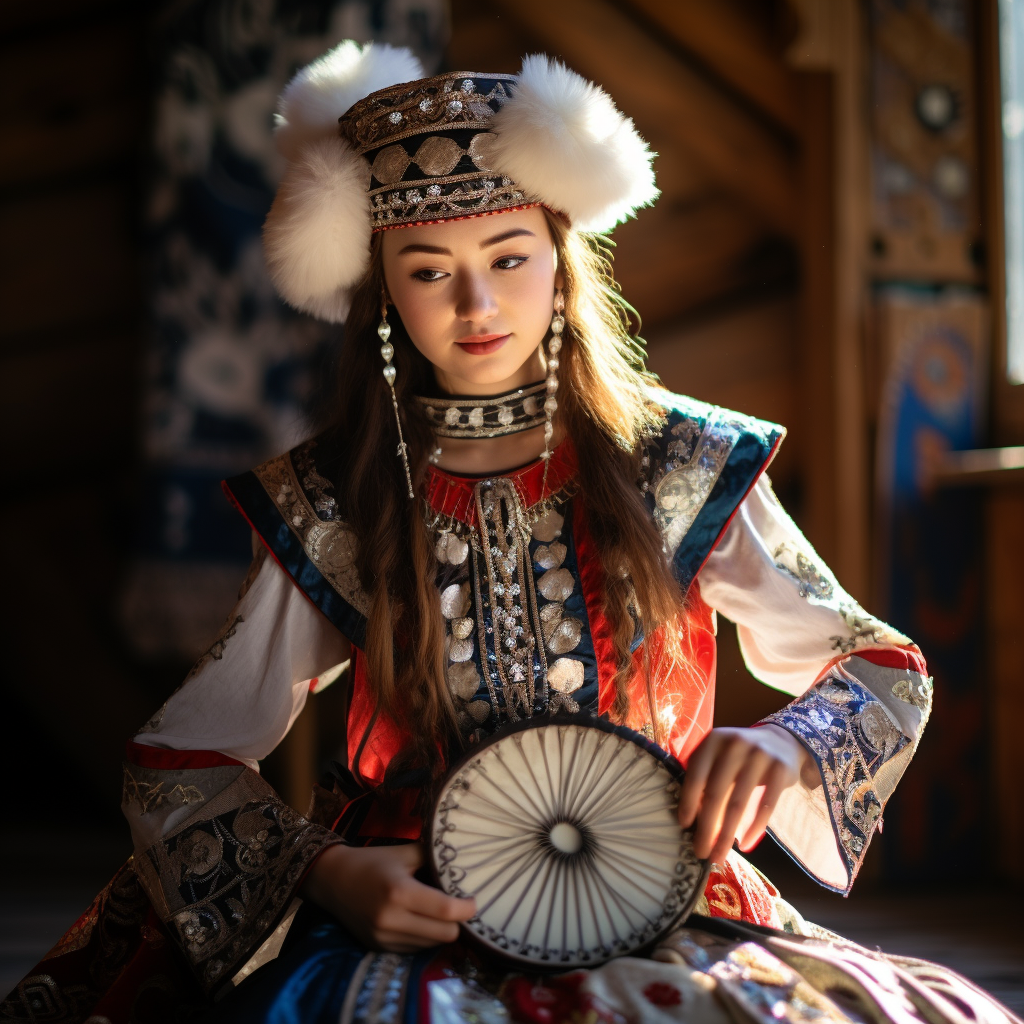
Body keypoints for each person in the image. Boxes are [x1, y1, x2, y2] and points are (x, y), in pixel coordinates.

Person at [3, 41, 1013, 1024]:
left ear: (563, 262)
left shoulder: (683, 465)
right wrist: (325, 870)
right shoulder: (335, 496)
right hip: (414, 910)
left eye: (508, 256)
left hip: (663, 896)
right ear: (384, 292)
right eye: (429, 270)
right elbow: (180, 755)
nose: (476, 303)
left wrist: (788, 742)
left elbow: (880, 665)